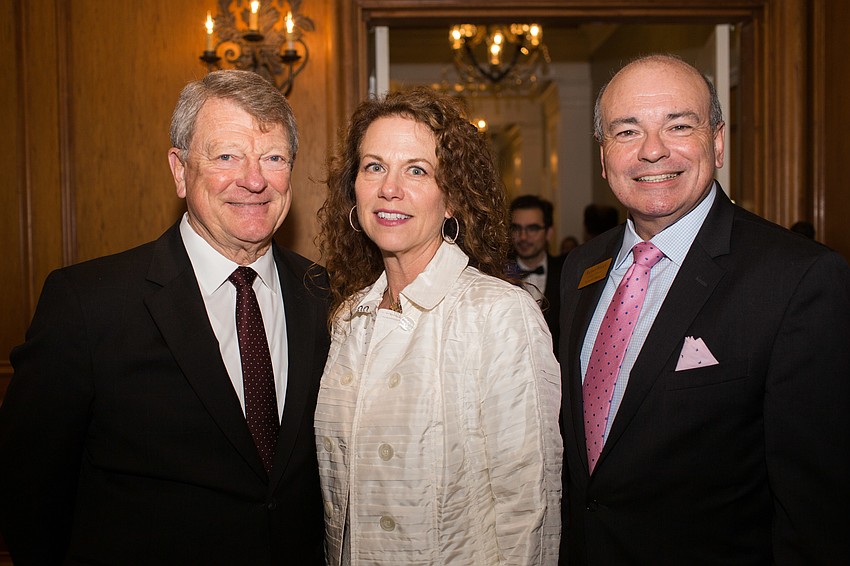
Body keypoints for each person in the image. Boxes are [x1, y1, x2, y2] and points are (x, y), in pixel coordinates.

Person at [0, 70, 329, 564]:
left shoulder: (323, 294)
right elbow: (28, 492)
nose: (254, 179)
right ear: (179, 170)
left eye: (274, 158)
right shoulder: (88, 304)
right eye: (226, 156)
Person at [558, 54, 850, 564]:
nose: (653, 150)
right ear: (603, 157)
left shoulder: (799, 279)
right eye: (627, 131)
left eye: (678, 126)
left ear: (716, 143)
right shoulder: (581, 268)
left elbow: (816, 511)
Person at [315, 87, 562, 565]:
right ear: (355, 189)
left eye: (417, 170)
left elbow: (528, 508)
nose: (390, 188)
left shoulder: (499, 314)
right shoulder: (348, 319)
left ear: (452, 200)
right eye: (374, 167)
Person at [508, 194, 567, 356]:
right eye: (516, 228)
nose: (523, 237)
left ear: (549, 233)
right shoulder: (497, 274)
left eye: (532, 228)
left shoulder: (566, 272)